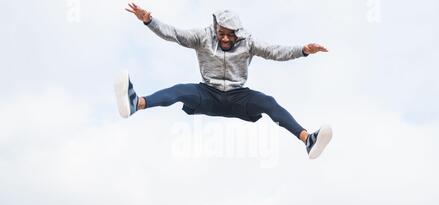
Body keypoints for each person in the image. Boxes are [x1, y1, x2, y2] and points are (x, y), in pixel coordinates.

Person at [116, 3, 333, 159]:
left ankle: (307, 140)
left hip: (239, 97)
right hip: (208, 94)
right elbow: (173, 34)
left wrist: (303, 50)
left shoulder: (248, 42)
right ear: (215, 29)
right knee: (180, 90)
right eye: (222, 34)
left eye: (231, 35)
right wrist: (149, 21)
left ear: (238, 33)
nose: (226, 39)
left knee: (268, 102)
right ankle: (137, 103)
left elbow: (275, 52)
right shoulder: (202, 37)